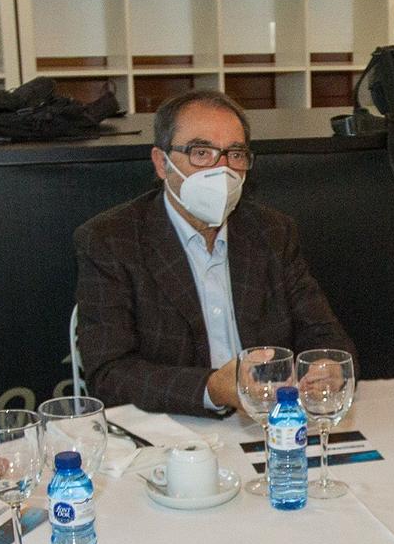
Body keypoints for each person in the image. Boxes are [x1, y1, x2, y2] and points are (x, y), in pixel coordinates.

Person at [74, 90, 353, 417]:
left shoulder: (271, 232)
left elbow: (324, 334)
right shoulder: (111, 240)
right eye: (201, 152)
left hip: (271, 423)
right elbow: (109, 374)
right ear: (162, 163)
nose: (222, 169)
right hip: (173, 430)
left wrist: (328, 367)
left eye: (235, 153)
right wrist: (213, 388)